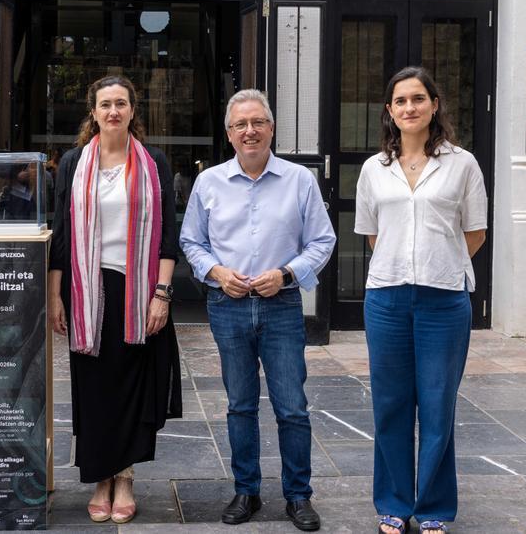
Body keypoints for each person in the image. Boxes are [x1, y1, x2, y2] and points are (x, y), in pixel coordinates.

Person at [180, 89, 336, 532]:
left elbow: (323, 241)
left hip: (281, 305)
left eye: (258, 122)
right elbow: (191, 240)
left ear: (271, 128)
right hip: (227, 305)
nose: (249, 131)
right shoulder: (208, 182)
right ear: (229, 134)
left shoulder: (299, 180)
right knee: (240, 405)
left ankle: (298, 496)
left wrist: (286, 273)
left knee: (292, 406)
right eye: (240, 125)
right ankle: (245, 490)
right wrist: (216, 271)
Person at [354, 66, 487, 534]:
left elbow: (475, 232)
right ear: (389, 111)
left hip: (444, 300)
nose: (409, 108)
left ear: (434, 105)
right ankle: (392, 503)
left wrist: (437, 263)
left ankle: (432, 507)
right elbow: (372, 235)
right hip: (387, 298)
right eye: (400, 101)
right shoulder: (375, 169)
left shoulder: (463, 164)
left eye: (418, 99)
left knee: (437, 405)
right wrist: (403, 267)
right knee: (390, 405)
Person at [47, 74, 182, 525]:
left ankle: (123, 477)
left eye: (121, 103)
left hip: (137, 289)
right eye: (104, 104)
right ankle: (101, 476)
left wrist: (162, 294)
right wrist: (55, 295)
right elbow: (62, 234)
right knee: (94, 387)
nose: (113, 112)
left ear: (132, 110)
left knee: (130, 384)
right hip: (86, 291)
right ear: (93, 111)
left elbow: (167, 233)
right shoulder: (72, 163)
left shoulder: (153, 162)